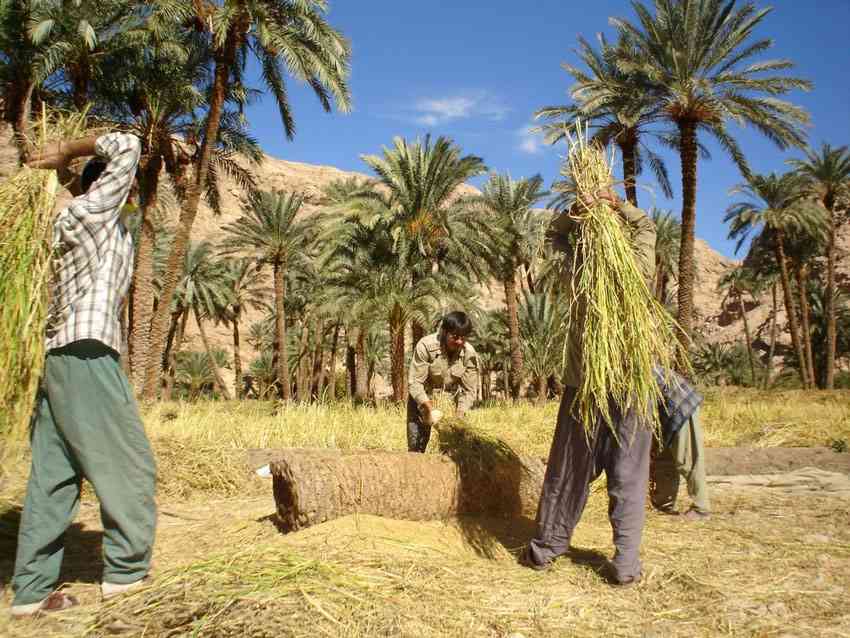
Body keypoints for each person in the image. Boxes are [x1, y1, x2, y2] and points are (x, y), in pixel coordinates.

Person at [10, 132, 157, 618]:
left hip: (58, 359)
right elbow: (128, 145)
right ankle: (126, 578)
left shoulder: (92, 225)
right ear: (107, 186)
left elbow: (134, 217)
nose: (131, 196)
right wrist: (69, 151)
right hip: (88, 352)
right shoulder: (91, 214)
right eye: (126, 189)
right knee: (131, 464)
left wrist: (55, 178)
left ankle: (30, 593)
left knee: (54, 476)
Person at [520, 190, 656, 586]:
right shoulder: (640, 269)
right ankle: (627, 566)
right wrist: (618, 206)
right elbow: (646, 226)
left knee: (567, 473)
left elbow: (549, 240)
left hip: (585, 391)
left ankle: (547, 548)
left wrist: (570, 215)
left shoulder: (577, 273)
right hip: (634, 387)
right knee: (628, 478)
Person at [407, 311, 480, 453]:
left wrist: (459, 415)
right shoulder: (426, 346)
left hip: (449, 400)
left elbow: (469, 391)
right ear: (444, 332)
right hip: (422, 400)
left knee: (452, 449)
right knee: (416, 446)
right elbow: (415, 383)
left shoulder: (469, 354)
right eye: (455, 337)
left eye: (463, 338)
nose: (459, 341)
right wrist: (429, 408)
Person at [652, 369, 711, 520]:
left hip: (680, 403)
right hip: (662, 410)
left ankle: (701, 508)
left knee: (687, 458)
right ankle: (663, 503)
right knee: (663, 457)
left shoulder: (624, 361)